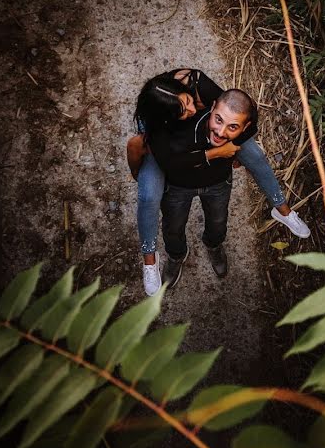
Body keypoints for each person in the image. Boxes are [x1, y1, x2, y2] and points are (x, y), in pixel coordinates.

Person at [130, 69, 310, 295]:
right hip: (177, 180)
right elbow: (170, 163)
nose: (193, 110)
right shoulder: (159, 127)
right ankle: (162, 257)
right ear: (167, 118)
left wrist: (235, 150)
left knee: (250, 161)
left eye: (188, 102)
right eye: (183, 112)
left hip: (216, 182)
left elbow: (243, 115)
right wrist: (215, 153)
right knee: (155, 204)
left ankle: (279, 210)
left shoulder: (195, 83)